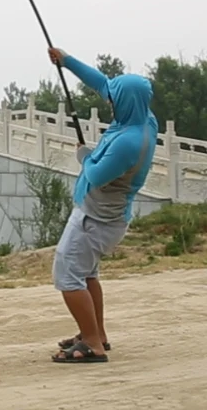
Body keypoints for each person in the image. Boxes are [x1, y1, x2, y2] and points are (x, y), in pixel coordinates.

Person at [47, 47, 158, 364]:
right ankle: (97, 334)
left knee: (68, 276)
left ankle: (92, 345)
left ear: (124, 102)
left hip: (95, 220)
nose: (108, 100)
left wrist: (84, 156)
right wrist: (66, 61)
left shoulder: (128, 142)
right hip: (103, 218)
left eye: (113, 98)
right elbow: (102, 84)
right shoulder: (145, 120)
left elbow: (95, 175)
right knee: (87, 275)